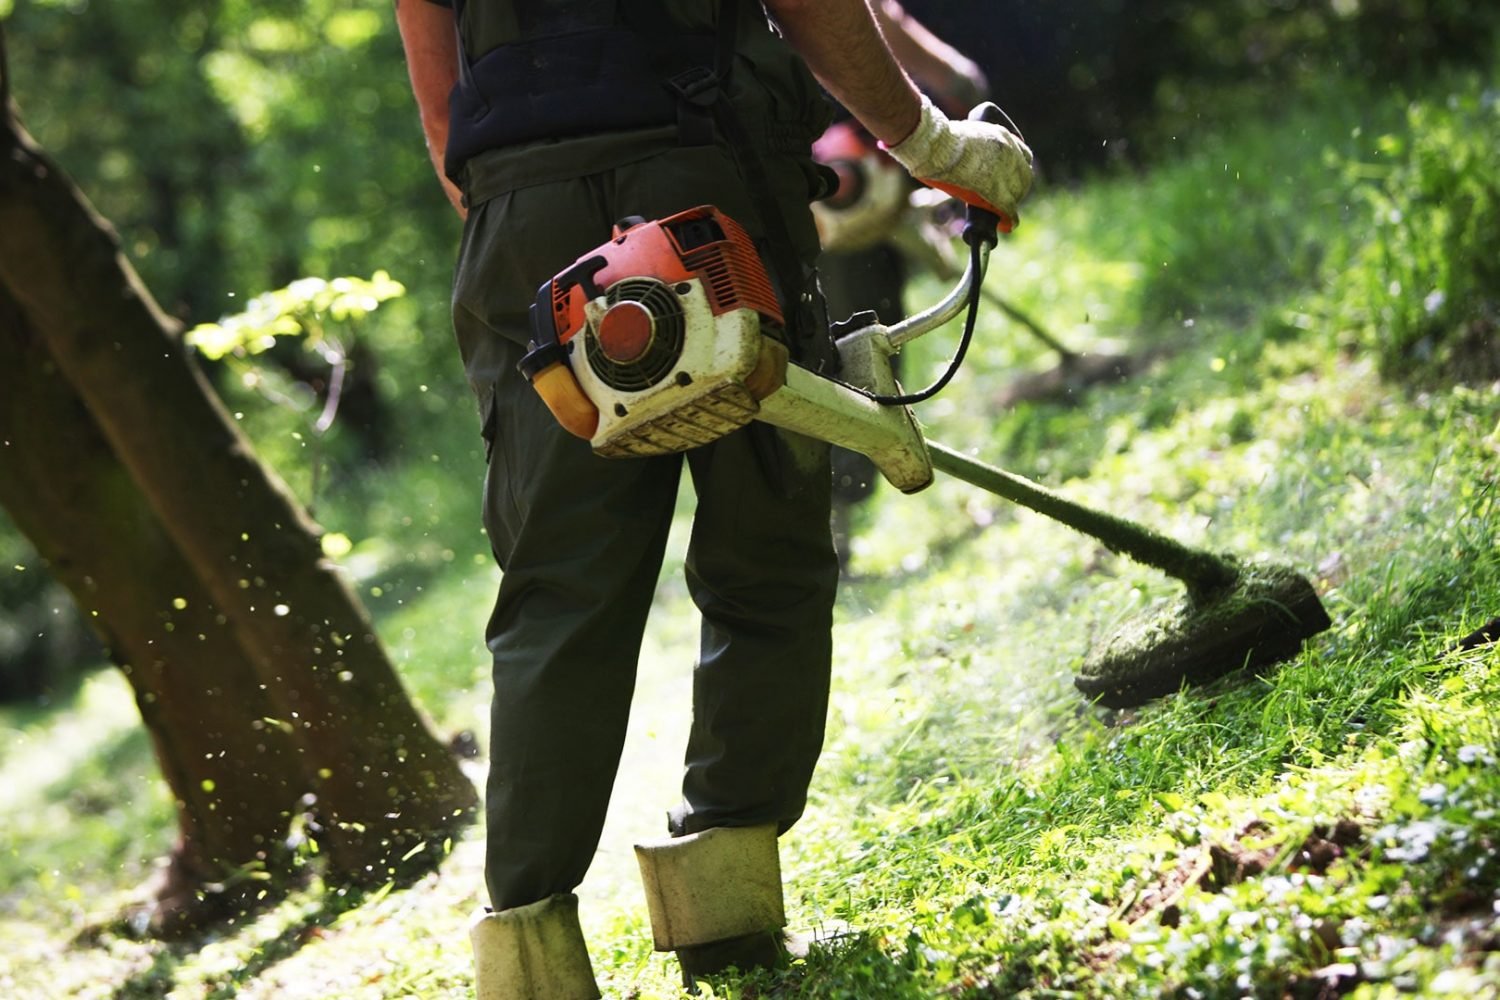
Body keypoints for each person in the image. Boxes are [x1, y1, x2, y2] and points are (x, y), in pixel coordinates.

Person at [396, 1, 1032, 995]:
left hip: (513, 212)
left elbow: (442, 116)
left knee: (559, 588)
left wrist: (534, 213)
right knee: (765, 540)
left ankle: (527, 957)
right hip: (702, 168)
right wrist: (931, 141)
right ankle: (723, 905)